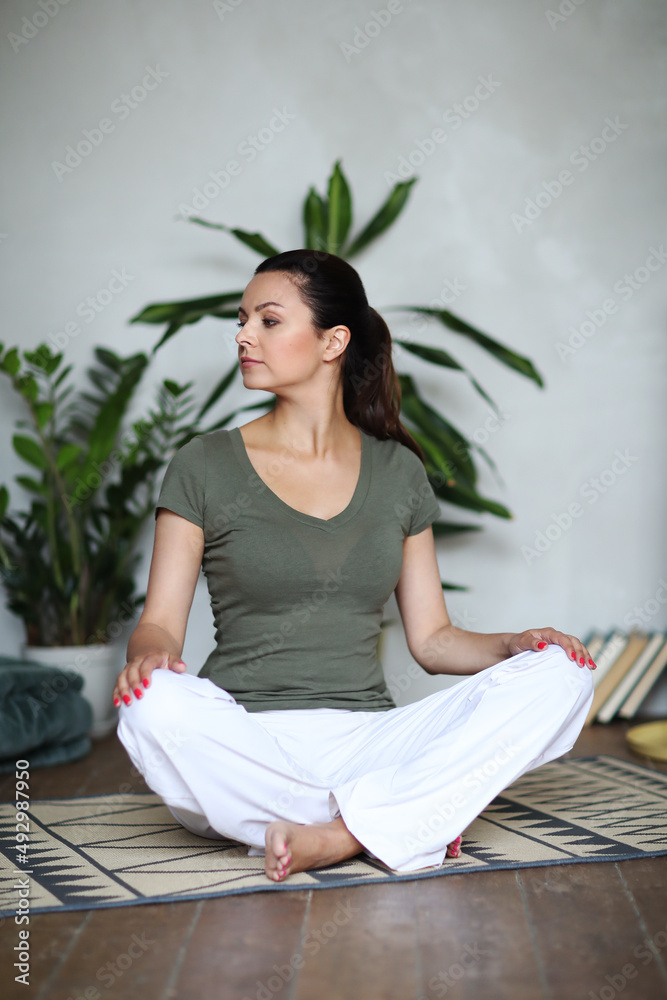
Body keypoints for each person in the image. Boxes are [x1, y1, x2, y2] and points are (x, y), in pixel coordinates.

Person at [114, 249, 596, 883]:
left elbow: (433, 640)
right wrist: (148, 658)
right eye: (242, 320)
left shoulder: (398, 472)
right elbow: (159, 624)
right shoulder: (203, 464)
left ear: (332, 342)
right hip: (244, 744)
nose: (243, 336)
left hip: (370, 743)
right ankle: (400, 817)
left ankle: (339, 833)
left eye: (268, 320)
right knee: (151, 704)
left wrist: (515, 644)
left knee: (563, 673)